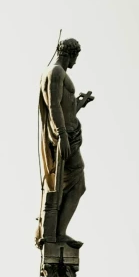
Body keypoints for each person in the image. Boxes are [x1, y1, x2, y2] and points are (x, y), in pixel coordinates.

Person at [37, 39, 94, 253]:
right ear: (70, 54)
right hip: (65, 137)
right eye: (76, 57)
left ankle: (58, 231)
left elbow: (64, 107)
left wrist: (80, 104)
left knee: (74, 184)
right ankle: (57, 232)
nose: (76, 63)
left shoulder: (56, 72)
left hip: (69, 135)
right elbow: (53, 105)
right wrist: (61, 135)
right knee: (77, 183)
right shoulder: (56, 72)